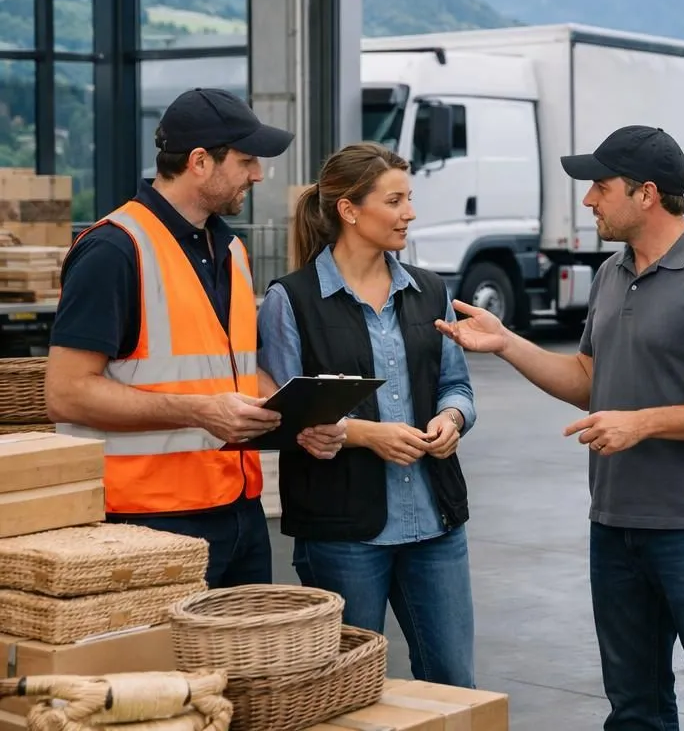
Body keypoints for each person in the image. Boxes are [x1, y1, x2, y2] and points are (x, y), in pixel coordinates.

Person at [436, 124, 684, 730]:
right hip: (616, 528)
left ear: (647, 193)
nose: (589, 200)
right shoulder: (611, 275)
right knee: (634, 709)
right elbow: (590, 379)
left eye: (600, 186)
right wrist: (508, 343)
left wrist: (644, 423)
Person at [43, 88, 328, 588]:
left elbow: (231, 368)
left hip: (238, 510)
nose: (258, 175)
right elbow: (66, 393)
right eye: (246, 161)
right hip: (147, 521)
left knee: (242, 665)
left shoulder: (231, 250)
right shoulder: (114, 249)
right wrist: (198, 410)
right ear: (199, 162)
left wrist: (299, 418)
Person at [256, 142, 479, 688]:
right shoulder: (293, 300)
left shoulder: (431, 292)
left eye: (410, 198)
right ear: (350, 210)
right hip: (343, 532)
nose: (410, 212)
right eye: (395, 200)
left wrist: (452, 419)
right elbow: (286, 415)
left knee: (452, 680)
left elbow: (458, 386)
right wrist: (364, 434)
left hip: (436, 522)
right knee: (348, 688)